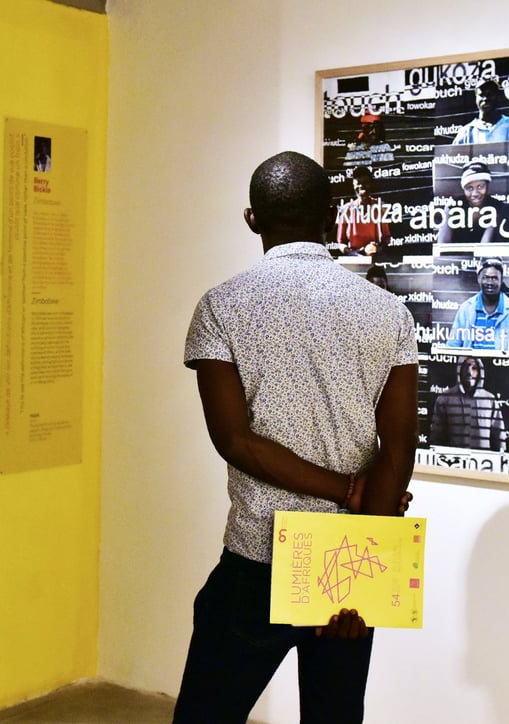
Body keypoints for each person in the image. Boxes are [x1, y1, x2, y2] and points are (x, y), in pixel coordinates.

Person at [175, 151, 419, 723]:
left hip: (256, 557)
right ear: (331, 216)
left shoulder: (220, 307)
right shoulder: (388, 313)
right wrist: (365, 566)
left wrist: (346, 489)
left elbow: (235, 440)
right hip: (346, 563)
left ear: (252, 219)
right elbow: (401, 448)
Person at [447, 257, 509, 351]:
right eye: (486, 277)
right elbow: (452, 347)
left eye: (494, 278)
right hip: (473, 365)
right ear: (478, 279)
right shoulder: (466, 309)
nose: (490, 283)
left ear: (501, 280)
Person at [430, 356, 505, 451]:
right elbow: (436, 437)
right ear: (459, 370)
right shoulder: (444, 399)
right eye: (466, 367)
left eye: (474, 368)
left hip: (483, 463)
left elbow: (499, 437)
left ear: (480, 372)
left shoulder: (490, 400)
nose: (469, 372)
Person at [436, 162, 509, 244]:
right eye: (469, 188)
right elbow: (442, 244)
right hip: (456, 255)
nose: (475, 193)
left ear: (487, 185)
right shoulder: (453, 206)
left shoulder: (497, 207)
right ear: (463, 189)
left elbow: (485, 245)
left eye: (480, 187)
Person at [334, 166, 391, 256]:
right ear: (353, 185)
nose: (361, 186)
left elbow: (387, 240)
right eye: (358, 183)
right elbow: (341, 243)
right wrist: (352, 253)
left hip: (374, 260)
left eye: (365, 183)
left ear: (371, 184)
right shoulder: (346, 210)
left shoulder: (379, 208)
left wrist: (376, 248)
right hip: (354, 261)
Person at [453, 80, 509, 145]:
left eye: (490, 94)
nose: (485, 98)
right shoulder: (467, 131)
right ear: (476, 98)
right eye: (481, 95)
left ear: (498, 97)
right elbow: (453, 156)